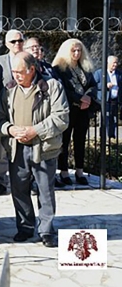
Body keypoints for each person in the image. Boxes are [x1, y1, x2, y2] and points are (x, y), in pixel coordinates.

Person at [0, 52, 69, 247]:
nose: (17, 76)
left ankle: (46, 230)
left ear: (32, 69)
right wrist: (10, 129)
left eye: (20, 72)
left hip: (43, 149)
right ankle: (25, 227)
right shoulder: (9, 90)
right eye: (14, 72)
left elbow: (61, 117)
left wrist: (35, 130)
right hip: (17, 148)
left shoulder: (51, 86)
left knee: (45, 191)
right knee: (19, 191)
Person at [52, 39, 98, 185]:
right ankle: (64, 172)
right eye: (73, 50)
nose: (77, 53)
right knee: (64, 141)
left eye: (79, 50)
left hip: (83, 110)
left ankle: (79, 170)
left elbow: (93, 85)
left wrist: (88, 98)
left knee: (80, 140)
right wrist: (79, 99)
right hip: (68, 109)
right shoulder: (59, 68)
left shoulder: (85, 67)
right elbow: (62, 89)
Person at [0, 29, 25, 196]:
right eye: (13, 41)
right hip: (4, 111)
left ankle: (25, 182)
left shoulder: (29, 60)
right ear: (6, 44)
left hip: (25, 110)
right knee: (2, 150)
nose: (17, 44)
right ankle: (1, 181)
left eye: (20, 40)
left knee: (25, 149)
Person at [93, 55, 120, 139]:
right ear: (108, 63)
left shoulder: (119, 74)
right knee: (105, 120)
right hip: (104, 100)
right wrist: (105, 85)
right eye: (113, 63)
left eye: (116, 63)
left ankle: (112, 138)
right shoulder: (99, 73)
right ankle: (103, 139)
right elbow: (93, 85)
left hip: (114, 100)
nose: (115, 65)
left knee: (113, 120)